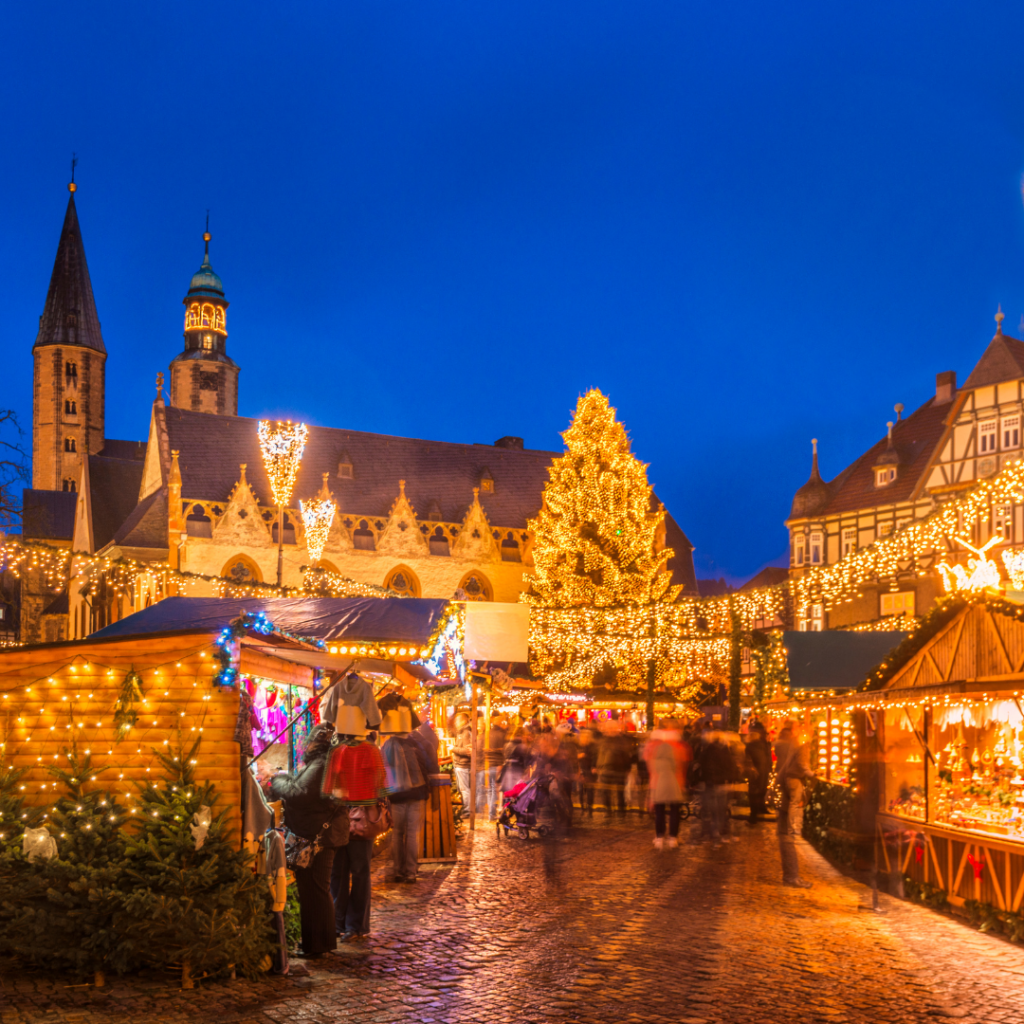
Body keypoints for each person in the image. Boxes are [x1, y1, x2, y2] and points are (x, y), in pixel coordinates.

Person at [270, 722, 348, 958]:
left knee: (315, 889)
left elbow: (300, 793)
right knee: (316, 889)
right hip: (320, 834)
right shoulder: (325, 763)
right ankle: (319, 943)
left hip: (319, 836)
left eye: (311, 739)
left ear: (318, 743)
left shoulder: (321, 763)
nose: (307, 743)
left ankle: (317, 945)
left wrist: (276, 779)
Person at [326, 705, 387, 942]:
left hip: (359, 818)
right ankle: (342, 923)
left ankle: (352, 925)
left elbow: (379, 785)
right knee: (343, 872)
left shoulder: (370, 751)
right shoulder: (338, 751)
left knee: (353, 872)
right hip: (343, 818)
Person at [381, 708, 430, 883]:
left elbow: (383, 771)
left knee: (397, 834)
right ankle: (411, 872)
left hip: (396, 797)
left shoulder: (387, 745)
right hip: (416, 796)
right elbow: (426, 765)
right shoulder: (415, 743)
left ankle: (398, 871)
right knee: (412, 835)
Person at [775, 720, 815, 887]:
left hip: (783, 786)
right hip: (789, 785)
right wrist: (811, 774)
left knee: (785, 834)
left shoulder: (784, 744)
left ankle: (790, 876)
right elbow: (801, 764)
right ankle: (791, 876)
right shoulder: (798, 745)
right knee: (788, 835)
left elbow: (785, 766)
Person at [644, 720, 691, 849]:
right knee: (675, 810)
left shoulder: (652, 747)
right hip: (676, 783)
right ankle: (673, 837)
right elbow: (683, 766)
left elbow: (650, 768)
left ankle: (659, 837)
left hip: (657, 783)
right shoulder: (679, 747)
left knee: (659, 811)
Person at [696, 729, 734, 848]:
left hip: (709, 784)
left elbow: (700, 765)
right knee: (721, 811)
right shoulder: (726, 751)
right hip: (722, 784)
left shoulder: (706, 750)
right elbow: (730, 767)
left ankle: (708, 835)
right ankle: (720, 834)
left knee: (708, 811)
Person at [596, 721, 632, 816]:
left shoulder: (621, 740)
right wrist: (598, 766)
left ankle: (621, 810)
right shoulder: (603, 740)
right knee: (605, 792)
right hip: (606, 769)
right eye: (609, 728)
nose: (610, 730)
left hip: (618, 769)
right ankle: (608, 810)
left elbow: (626, 756)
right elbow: (599, 754)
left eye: (612, 728)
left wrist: (627, 768)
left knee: (620, 792)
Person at [744, 722, 772, 824]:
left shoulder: (753, 745)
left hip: (756, 773)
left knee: (754, 794)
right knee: (759, 793)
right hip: (761, 772)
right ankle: (757, 812)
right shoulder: (762, 744)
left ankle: (754, 815)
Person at [484, 717, 508, 821]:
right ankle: (500, 811)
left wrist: (489, 751)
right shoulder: (503, 734)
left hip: (488, 763)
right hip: (499, 764)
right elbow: (505, 751)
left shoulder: (487, 734)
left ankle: (491, 814)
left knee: (491, 789)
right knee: (497, 789)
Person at [576, 726, 598, 817]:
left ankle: (589, 809)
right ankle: (582, 808)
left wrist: (585, 756)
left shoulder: (592, 747)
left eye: (585, 737)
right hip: (581, 770)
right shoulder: (579, 746)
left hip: (589, 771)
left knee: (589, 791)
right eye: (582, 737)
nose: (583, 738)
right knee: (581, 791)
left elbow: (594, 758)